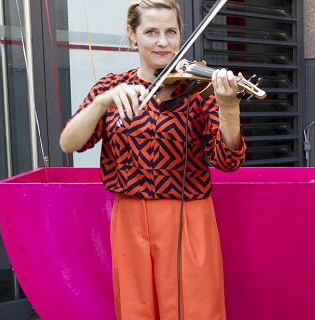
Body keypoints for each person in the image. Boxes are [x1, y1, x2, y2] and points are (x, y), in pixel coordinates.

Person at [59, 0, 245, 318]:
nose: (163, 41)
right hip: (129, 216)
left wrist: (229, 108)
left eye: (171, 32)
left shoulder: (198, 90)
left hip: (188, 216)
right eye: (151, 32)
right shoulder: (110, 89)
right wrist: (101, 104)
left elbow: (228, 160)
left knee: (195, 308)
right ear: (133, 35)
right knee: (136, 309)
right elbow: (69, 142)